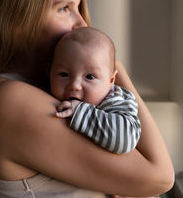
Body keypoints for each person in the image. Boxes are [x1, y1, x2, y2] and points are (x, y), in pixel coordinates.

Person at [0, 0, 174, 198]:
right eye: (65, 8)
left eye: (79, 8)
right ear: (18, 16)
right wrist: (114, 66)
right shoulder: (9, 99)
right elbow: (160, 176)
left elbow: (152, 183)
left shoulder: (52, 91)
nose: (82, 24)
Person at [50, 26, 141, 154]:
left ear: (111, 80)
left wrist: (80, 112)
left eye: (89, 77)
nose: (74, 85)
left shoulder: (116, 99)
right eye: (64, 74)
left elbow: (125, 141)